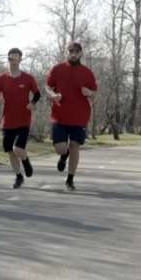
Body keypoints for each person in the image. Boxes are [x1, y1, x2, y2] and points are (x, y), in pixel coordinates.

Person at [45, 41, 97, 191]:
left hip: (80, 116)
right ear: (67, 52)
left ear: (80, 53)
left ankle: (70, 179)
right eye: (70, 51)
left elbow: (94, 92)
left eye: (76, 51)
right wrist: (54, 95)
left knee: (75, 146)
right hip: (59, 115)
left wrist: (89, 93)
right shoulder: (57, 69)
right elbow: (47, 86)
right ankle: (63, 155)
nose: (73, 54)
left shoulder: (87, 72)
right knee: (60, 148)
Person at [0, 48, 41, 189]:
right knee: (10, 151)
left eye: (15, 57)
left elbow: (37, 94)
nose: (13, 60)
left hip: (24, 120)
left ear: (20, 59)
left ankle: (26, 161)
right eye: (10, 57)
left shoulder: (28, 78)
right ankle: (19, 176)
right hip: (8, 121)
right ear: (8, 59)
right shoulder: (2, 78)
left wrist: (32, 103)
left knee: (18, 149)